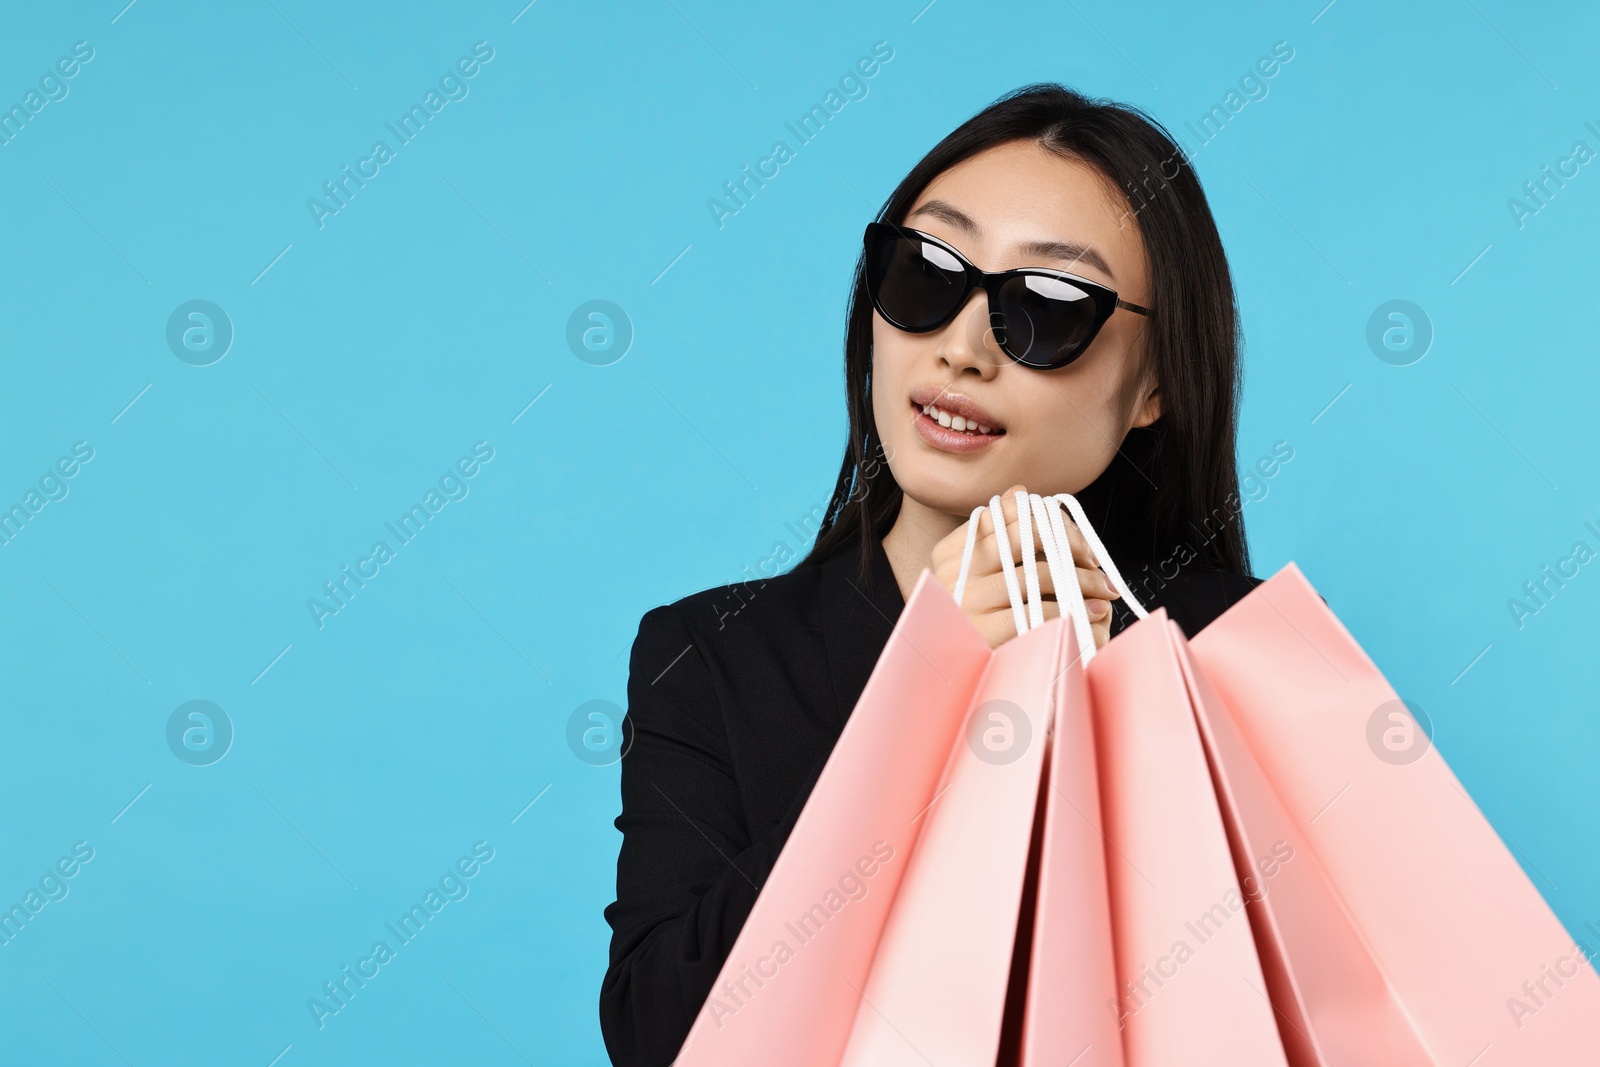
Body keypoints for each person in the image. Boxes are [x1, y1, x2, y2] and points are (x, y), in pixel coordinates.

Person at [599, 82, 1261, 1067]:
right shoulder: (709, 657)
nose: (959, 346)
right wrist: (923, 692)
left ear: (1156, 382)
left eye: (1044, 309)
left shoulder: (1233, 651)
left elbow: (1317, 1003)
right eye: (925, 273)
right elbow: (664, 1034)